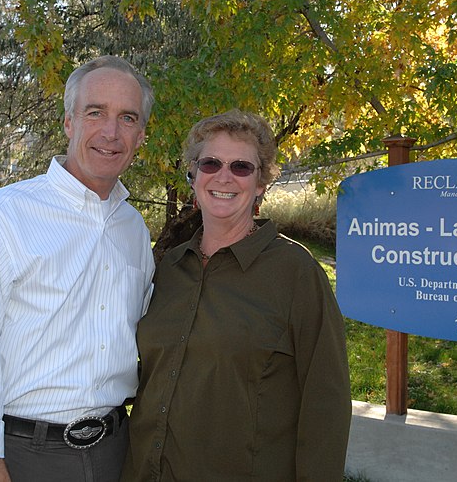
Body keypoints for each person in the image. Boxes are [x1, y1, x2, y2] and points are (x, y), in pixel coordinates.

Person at [0, 55, 156, 482]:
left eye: (127, 118)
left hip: (116, 453)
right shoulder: (0, 218)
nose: (111, 132)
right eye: (95, 112)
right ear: (69, 122)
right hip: (20, 459)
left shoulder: (132, 229)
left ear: (141, 135)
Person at [124, 109, 351, 481]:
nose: (224, 177)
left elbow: (326, 401)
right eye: (210, 163)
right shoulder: (171, 268)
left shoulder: (296, 273)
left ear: (260, 183)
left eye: (242, 167)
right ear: (193, 175)